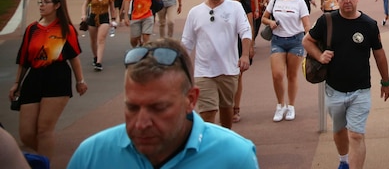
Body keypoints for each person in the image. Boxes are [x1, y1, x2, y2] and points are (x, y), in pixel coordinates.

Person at [67, 38, 257, 169]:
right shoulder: (91, 156)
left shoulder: (235, 156)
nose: (141, 124)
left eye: (158, 108)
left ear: (191, 100)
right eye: (132, 107)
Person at [302, 0, 389, 169]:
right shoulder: (327, 21)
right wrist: (320, 55)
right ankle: (343, 160)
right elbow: (307, 41)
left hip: (361, 89)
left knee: (356, 134)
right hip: (334, 89)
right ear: (337, 0)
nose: (347, 1)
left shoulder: (368, 25)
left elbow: (379, 54)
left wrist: (385, 81)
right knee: (339, 130)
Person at [9, 0, 87, 159]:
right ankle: (43, 156)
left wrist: (80, 81)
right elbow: (23, 59)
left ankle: (45, 163)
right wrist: (17, 83)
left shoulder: (66, 28)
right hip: (33, 77)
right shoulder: (32, 29)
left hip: (57, 77)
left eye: (46, 2)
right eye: (40, 2)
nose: (41, 5)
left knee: (44, 129)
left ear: (57, 5)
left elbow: (74, 57)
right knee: (26, 133)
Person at [181, 0, 252, 129]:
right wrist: (178, 64)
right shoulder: (195, 12)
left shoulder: (235, 7)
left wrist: (245, 55)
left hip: (229, 69)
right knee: (208, 112)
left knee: (227, 111)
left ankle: (224, 141)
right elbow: (187, 42)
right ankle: (209, 146)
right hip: (204, 71)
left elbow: (245, 31)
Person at [261, 0, 310, 122]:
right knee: (277, 74)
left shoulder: (300, 2)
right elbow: (264, 18)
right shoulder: (275, 1)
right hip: (278, 40)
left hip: (296, 40)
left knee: (292, 75)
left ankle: (291, 106)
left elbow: (306, 23)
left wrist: (310, 38)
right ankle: (280, 104)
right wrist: (270, 23)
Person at [225, 0, 253, 124]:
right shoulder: (223, 4)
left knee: (238, 77)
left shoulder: (245, 6)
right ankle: (225, 107)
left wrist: (250, 47)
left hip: (241, 43)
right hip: (226, 43)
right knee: (225, 76)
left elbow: (249, 26)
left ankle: (236, 108)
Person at [82, 0, 117, 71]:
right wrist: (84, 15)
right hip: (93, 17)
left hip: (104, 17)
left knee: (101, 39)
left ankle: (99, 62)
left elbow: (112, 8)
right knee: (93, 40)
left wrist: (113, 19)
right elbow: (85, 4)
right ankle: (95, 56)